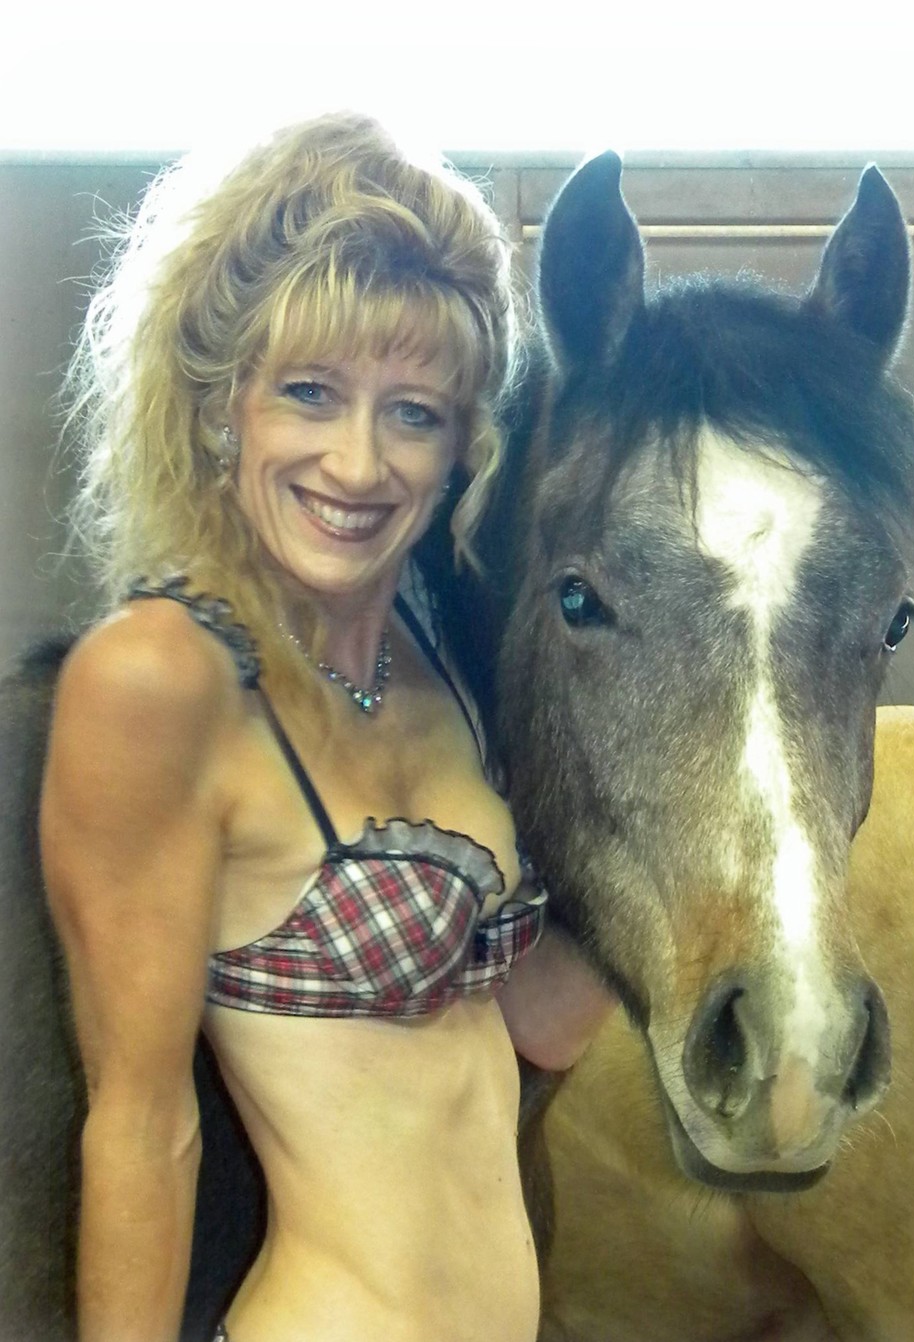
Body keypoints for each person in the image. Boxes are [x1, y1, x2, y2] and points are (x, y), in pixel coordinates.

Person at [40, 112, 614, 1342]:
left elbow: (535, 1022)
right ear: (222, 407)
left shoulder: (436, 647)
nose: (358, 465)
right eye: (310, 394)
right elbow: (142, 1127)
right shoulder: (159, 679)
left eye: (413, 413)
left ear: (462, 441)